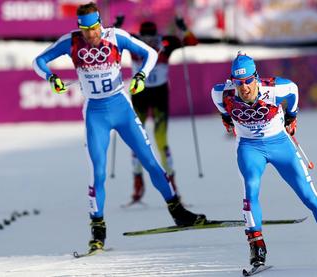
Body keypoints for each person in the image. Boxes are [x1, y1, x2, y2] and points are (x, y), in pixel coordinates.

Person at [33, 2, 206, 253]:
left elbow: (151, 54)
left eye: (93, 29)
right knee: (99, 173)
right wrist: (51, 78)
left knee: (149, 161)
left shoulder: (116, 36)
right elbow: (38, 60)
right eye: (84, 30)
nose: (90, 35)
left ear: (99, 24)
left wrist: (140, 77)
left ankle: (178, 211)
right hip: (96, 114)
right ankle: (98, 230)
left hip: (122, 109)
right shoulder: (71, 41)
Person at [211, 52, 317, 267]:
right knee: (250, 191)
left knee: (309, 196)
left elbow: (293, 91)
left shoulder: (275, 88)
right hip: (249, 148)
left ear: (255, 77)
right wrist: (225, 117)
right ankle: (257, 247)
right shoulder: (222, 92)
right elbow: (219, 103)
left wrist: (292, 116)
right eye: (238, 83)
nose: (244, 88)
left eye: (247, 81)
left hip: (280, 145)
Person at [128, 19, 198, 203]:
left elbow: (192, 42)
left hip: (159, 95)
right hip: (140, 95)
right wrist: (116, 26)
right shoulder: (133, 41)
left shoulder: (166, 43)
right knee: (136, 140)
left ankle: (172, 183)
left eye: (151, 37)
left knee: (161, 141)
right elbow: (110, 40)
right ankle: (137, 181)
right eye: (145, 37)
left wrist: (184, 28)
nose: (148, 41)